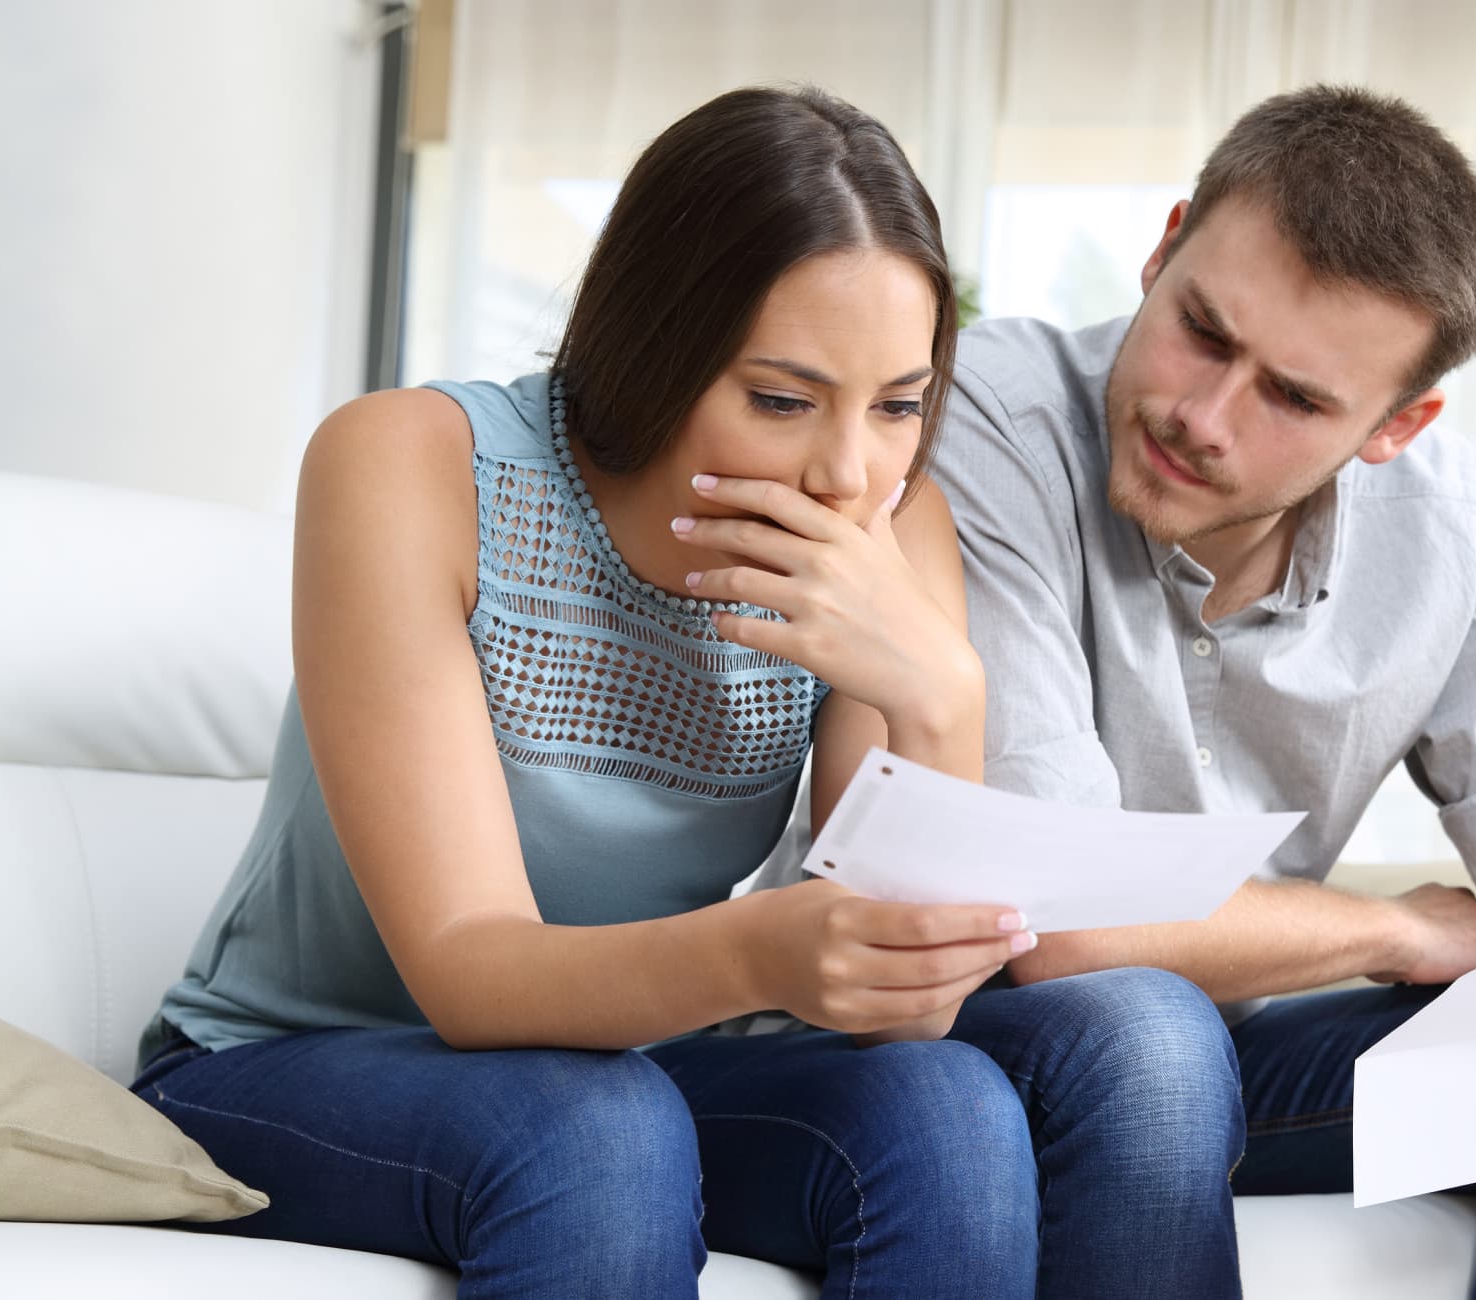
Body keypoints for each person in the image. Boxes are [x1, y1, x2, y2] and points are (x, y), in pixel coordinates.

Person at [135, 85, 1234, 1300]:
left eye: (899, 407)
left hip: (635, 1063)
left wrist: (938, 693)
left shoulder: (893, 522)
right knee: (592, 1130)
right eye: (782, 399)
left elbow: (900, 1021)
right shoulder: (412, 463)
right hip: (292, 1065)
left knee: (948, 1106)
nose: (847, 472)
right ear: (655, 343)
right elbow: (470, 971)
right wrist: (768, 950)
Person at [932, 84, 1476, 1298]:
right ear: (1165, 243)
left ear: (1397, 423)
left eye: (1294, 398)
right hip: (970, 1050)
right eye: (1202, 328)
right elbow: (1075, 930)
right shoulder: (993, 411)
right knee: (1148, 1036)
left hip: (1218, 1061)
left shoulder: (1442, 524)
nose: (1203, 418)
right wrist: (1395, 929)